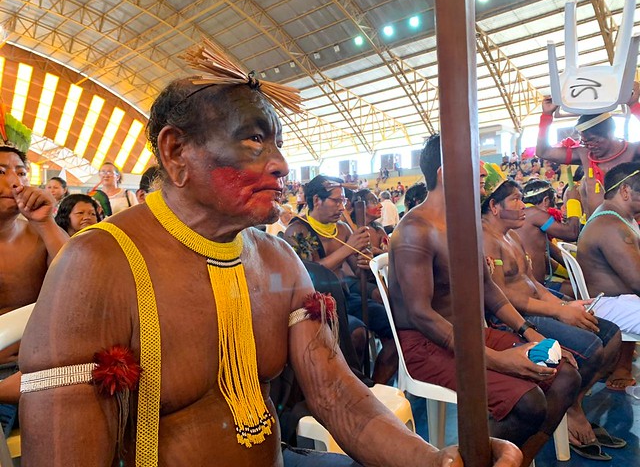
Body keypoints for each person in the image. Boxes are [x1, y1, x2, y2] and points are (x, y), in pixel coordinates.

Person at [18, 50, 521, 467]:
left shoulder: (278, 258)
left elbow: (337, 396)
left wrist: (434, 462)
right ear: (175, 154)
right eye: (254, 139)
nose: (280, 164)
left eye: (276, 142)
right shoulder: (98, 264)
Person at [389, 134, 579, 467]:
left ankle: (510, 459)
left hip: (470, 333)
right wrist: (498, 360)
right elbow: (421, 314)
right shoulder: (414, 230)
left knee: (565, 375)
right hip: (426, 345)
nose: (485, 176)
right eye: (476, 168)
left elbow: (488, 288)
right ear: (445, 173)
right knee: (529, 403)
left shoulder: (464, 223)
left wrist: (529, 332)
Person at [480, 173, 622, 459]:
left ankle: (573, 405)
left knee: (611, 334)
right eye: (516, 199)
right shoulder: (485, 240)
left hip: (534, 303)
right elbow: (501, 297)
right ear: (494, 207)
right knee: (592, 347)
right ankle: (571, 412)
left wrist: (566, 306)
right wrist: (558, 310)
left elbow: (533, 284)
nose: (523, 205)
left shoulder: (511, 236)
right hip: (512, 316)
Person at [284, 175, 397, 385]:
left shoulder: (343, 229)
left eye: (343, 201)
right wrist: (348, 248)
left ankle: (376, 388)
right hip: (318, 305)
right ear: (317, 200)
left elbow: (356, 269)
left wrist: (365, 261)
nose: (341, 207)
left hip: (347, 297)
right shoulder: (297, 231)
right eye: (336, 201)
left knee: (397, 331)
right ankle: (349, 391)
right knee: (357, 333)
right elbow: (309, 275)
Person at [0, 145, 68, 435]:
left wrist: (45, 222)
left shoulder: (40, 235)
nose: (15, 182)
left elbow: (81, 279)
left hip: (38, 370)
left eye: (21, 172)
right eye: (1, 173)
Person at [578, 161, 640, 392]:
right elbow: (638, 281)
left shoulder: (619, 217)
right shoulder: (612, 224)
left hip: (619, 301)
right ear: (625, 190)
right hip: (607, 305)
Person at [535, 82, 640, 217]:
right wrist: (546, 116)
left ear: (610, 133)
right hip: (596, 229)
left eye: (594, 140)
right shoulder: (584, 154)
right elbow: (543, 152)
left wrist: (634, 106)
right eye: (585, 142)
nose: (589, 145)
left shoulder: (633, 150)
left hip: (632, 230)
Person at [519, 179, 581, 298]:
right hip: (533, 290)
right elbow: (572, 232)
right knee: (581, 293)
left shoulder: (527, 217)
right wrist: (574, 201)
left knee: (575, 287)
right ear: (546, 201)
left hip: (537, 285)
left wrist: (575, 272)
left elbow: (555, 252)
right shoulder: (534, 213)